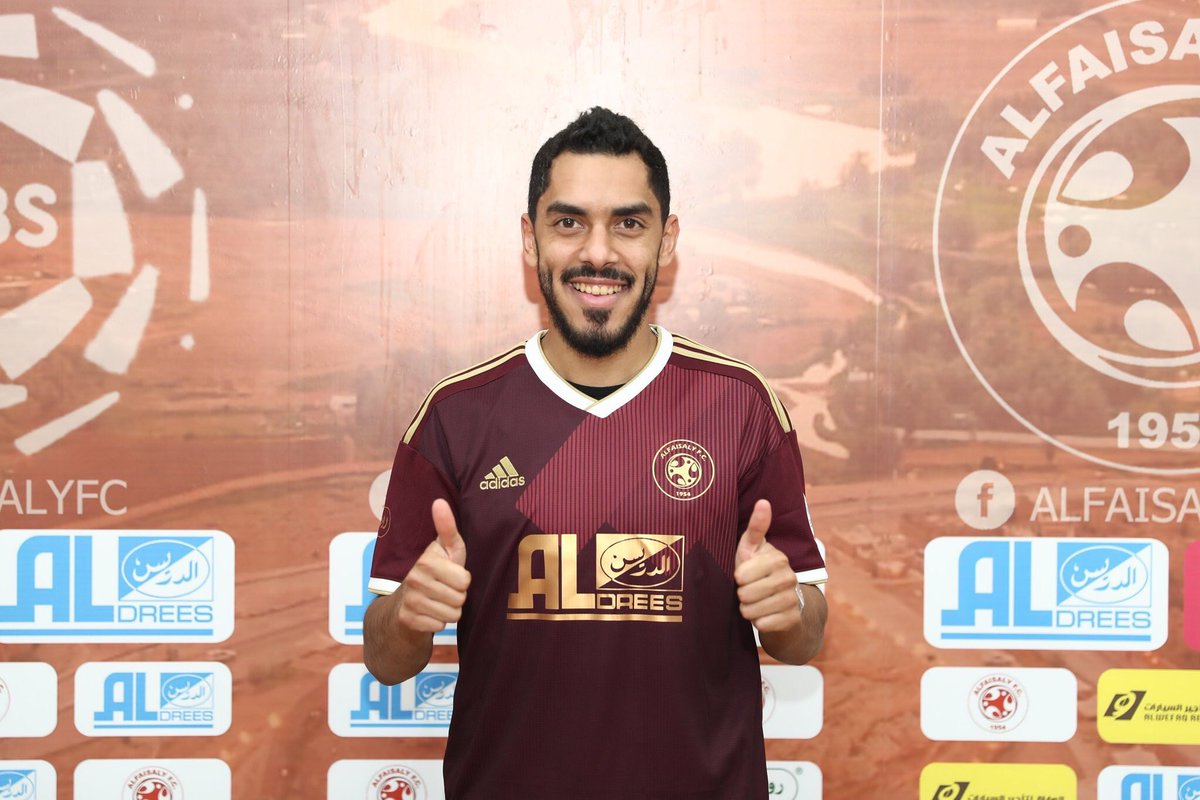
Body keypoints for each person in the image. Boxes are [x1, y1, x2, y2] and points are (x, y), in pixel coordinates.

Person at [363, 107, 828, 799]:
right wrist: (408, 613)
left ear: (667, 240)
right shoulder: (456, 416)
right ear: (531, 239)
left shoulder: (741, 406)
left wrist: (788, 608)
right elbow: (384, 658)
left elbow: (805, 634)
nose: (599, 253)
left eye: (629, 224)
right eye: (569, 222)